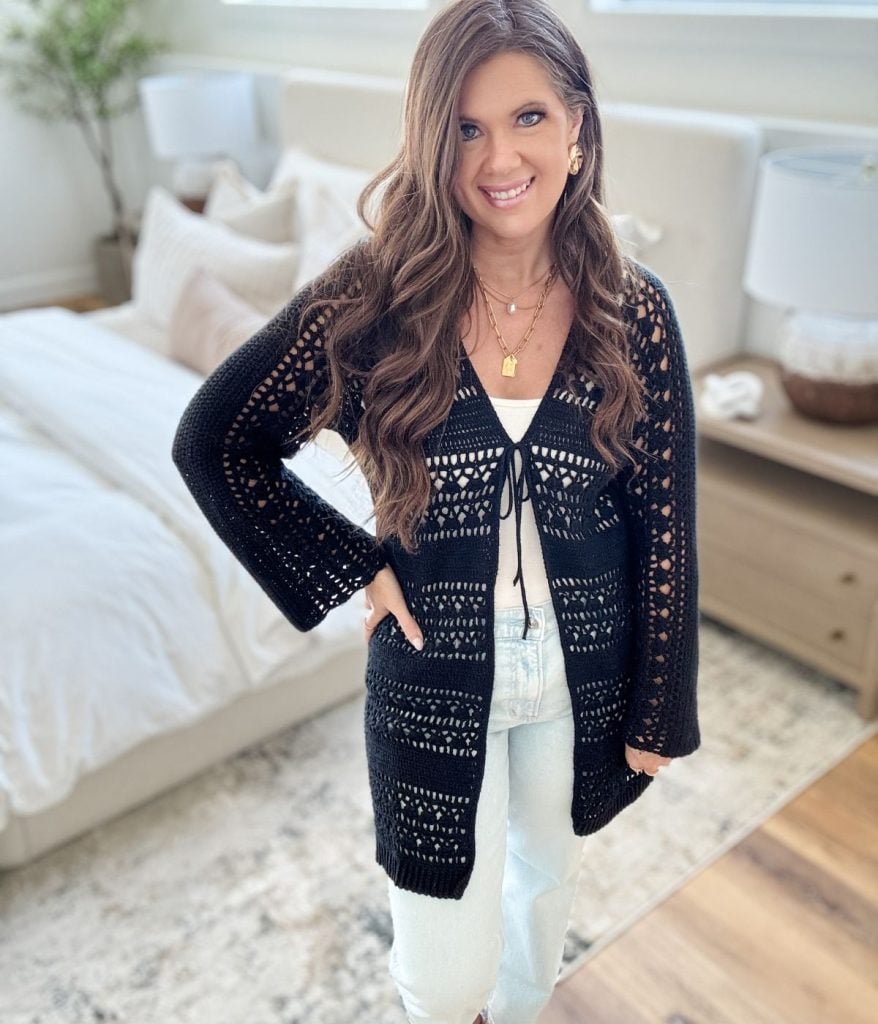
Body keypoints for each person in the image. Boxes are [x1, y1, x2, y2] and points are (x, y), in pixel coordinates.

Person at [171, 2, 701, 1022]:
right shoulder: (371, 299)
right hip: (429, 675)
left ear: (578, 127)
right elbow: (216, 441)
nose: (498, 156)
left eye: (528, 118)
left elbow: (664, 522)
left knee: (538, 910)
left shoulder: (633, 308)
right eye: (463, 127)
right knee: (441, 967)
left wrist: (658, 704)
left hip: (578, 673)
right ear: (429, 140)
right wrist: (352, 562)